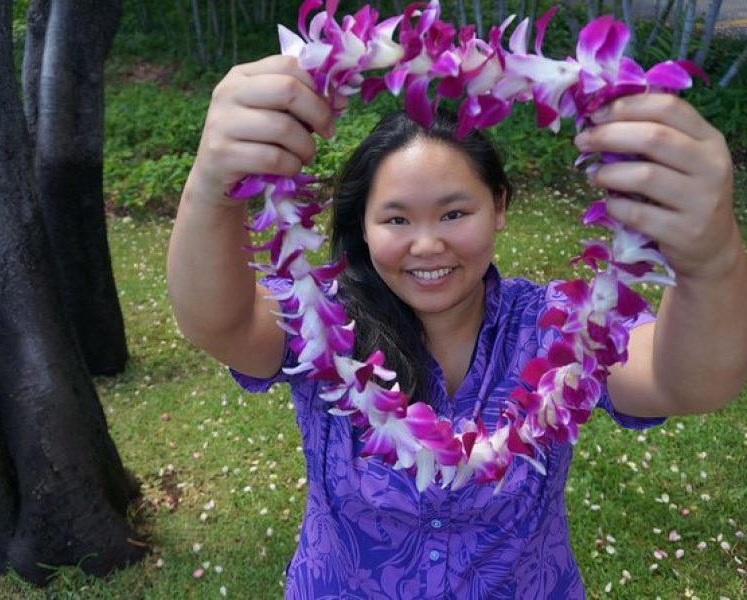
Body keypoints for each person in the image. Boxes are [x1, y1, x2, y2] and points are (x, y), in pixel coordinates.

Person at [166, 55, 747, 598]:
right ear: (364, 228)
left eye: (453, 213)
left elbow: (686, 382)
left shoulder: (555, 326)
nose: (427, 244)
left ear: (497, 206)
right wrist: (211, 187)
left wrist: (712, 260)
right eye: (396, 218)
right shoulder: (326, 322)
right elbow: (220, 324)